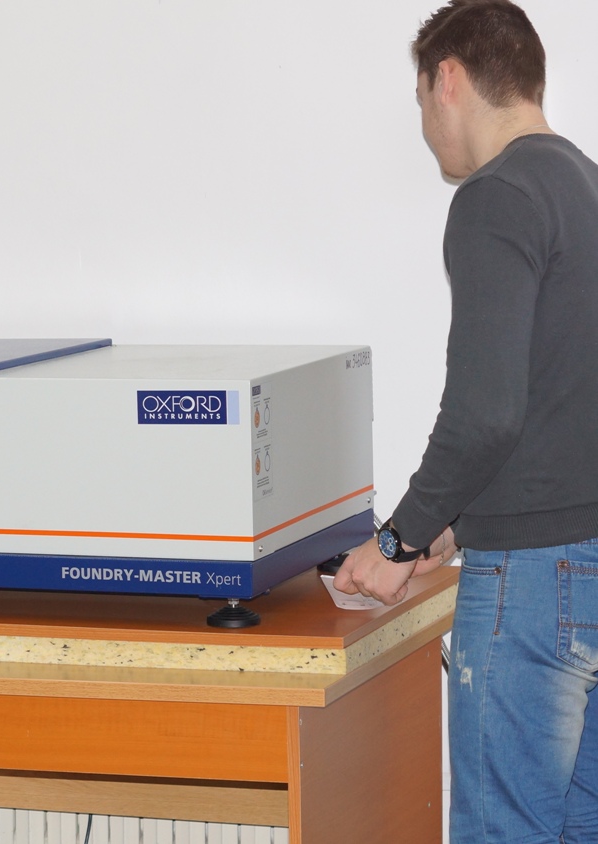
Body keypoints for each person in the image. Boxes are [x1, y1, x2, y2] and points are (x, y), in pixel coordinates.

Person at [332, 1, 598, 840]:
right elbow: (560, 400)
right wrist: (453, 527)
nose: (424, 128)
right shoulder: (586, 186)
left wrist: (397, 540)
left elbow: (484, 411)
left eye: (420, 100)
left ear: (447, 78)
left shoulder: (496, 196)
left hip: (534, 586)